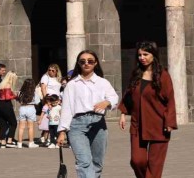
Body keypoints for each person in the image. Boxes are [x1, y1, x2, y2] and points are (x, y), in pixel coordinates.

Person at [56, 50, 119, 178]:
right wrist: (62, 131)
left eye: (90, 61)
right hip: (76, 125)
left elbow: (114, 98)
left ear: (95, 63)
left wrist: (106, 102)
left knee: (97, 163)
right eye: (82, 61)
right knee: (84, 162)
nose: (86, 64)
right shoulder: (72, 84)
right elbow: (67, 109)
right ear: (78, 64)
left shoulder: (102, 82)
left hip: (98, 123)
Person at [119, 41, 177, 178]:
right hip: (137, 124)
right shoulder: (136, 74)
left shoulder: (163, 75)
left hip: (158, 124)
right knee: (137, 161)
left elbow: (170, 100)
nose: (142, 58)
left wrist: (169, 122)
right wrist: (123, 113)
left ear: (153, 55)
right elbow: (128, 95)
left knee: (154, 165)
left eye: (146, 54)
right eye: (139, 55)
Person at [0, 71, 19, 148]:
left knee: (3, 123)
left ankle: (3, 142)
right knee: (13, 123)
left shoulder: (1, 85)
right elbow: (7, 97)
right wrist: (16, 96)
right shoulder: (8, 85)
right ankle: (9, 141)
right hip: (6, 105)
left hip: (0, 105)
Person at [16, 78, 40, 148]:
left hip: (22, 108)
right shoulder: (34, 93)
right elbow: (37, 102)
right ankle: (31, 143)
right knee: (30, 127)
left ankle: (19, 143)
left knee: (21, 127)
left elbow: (19, 100)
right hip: (30, 108)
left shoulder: (20, 92)